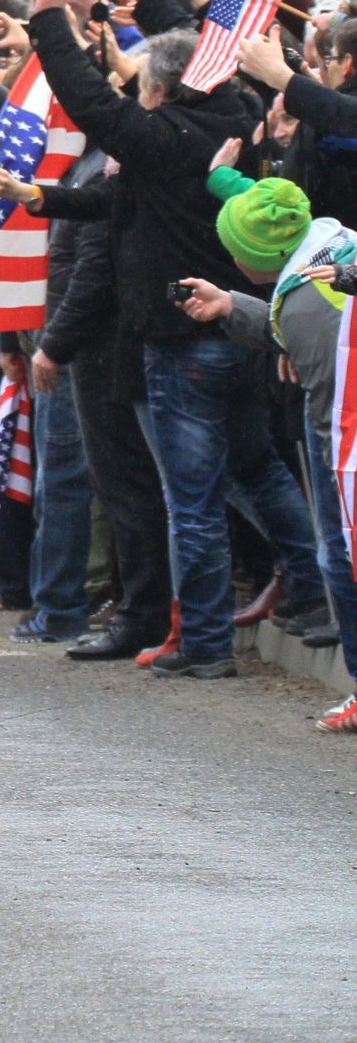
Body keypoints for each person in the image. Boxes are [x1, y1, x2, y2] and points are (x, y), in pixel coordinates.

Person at [18, 0, 323, 677]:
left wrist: (48, 27)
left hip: (183, 343)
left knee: (191, 502)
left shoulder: (167, 139)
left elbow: (95, 106)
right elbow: (191, 67)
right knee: (259, 472)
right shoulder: (232, 120)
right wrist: (133, 10)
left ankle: (208, 644)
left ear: (159, 89)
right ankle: (311, 586)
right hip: (237, 331)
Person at [176, 155, 357, 721]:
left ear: (264, 258)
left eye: (237, 252)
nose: (230, 257)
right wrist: (233, 306)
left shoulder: (306, 306)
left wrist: (334, 475)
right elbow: (269, 204)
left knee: (342, 560)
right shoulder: (325, 238)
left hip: (343, 434)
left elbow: (335, 410)